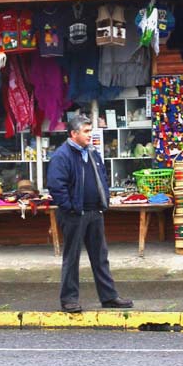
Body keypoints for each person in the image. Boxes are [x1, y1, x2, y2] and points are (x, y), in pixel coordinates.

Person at [46, 113, 133, 312]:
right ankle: (69, 300)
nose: (89, 135)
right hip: (75, 214)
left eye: (90, 131)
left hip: (95, 211)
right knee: (72, 257)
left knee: (100, 257)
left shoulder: (92, 152)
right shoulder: (63, 155)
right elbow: (56, 186)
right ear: (73, 133)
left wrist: (104, 200)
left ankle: (109, 297)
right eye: (86, 132)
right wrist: (70, 208)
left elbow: (102, 176)